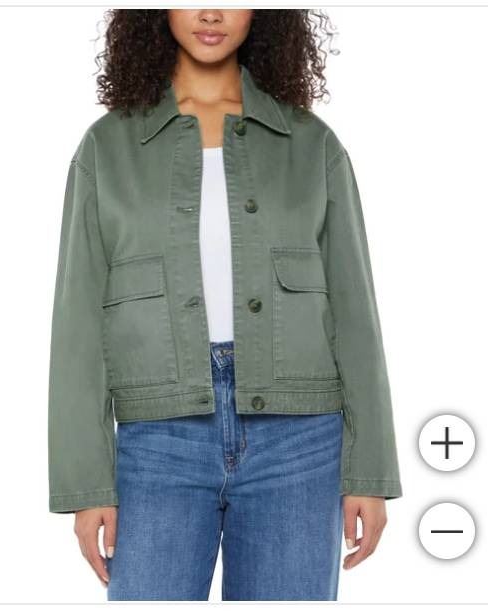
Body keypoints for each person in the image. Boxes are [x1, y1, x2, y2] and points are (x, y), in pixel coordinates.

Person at [47, 8, 403, 601]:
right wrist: (87, 484)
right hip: (157, 438)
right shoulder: (107, 146)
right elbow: (77, 321)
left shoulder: (312, 143)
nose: (211, 12)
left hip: (300, 440)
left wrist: (370, 470)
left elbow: (355, 313)